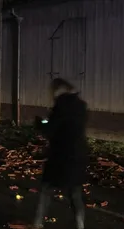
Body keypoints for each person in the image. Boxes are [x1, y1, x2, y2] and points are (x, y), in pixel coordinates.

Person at [33, 78, 88, 229]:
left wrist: (40, 123)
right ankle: (80, 225)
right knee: (75, 193)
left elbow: (50, 130)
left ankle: (37, 223)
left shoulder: (60, 106)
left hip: (60, 156)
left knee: (46, 189)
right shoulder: (82, 106)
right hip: (78, 155)